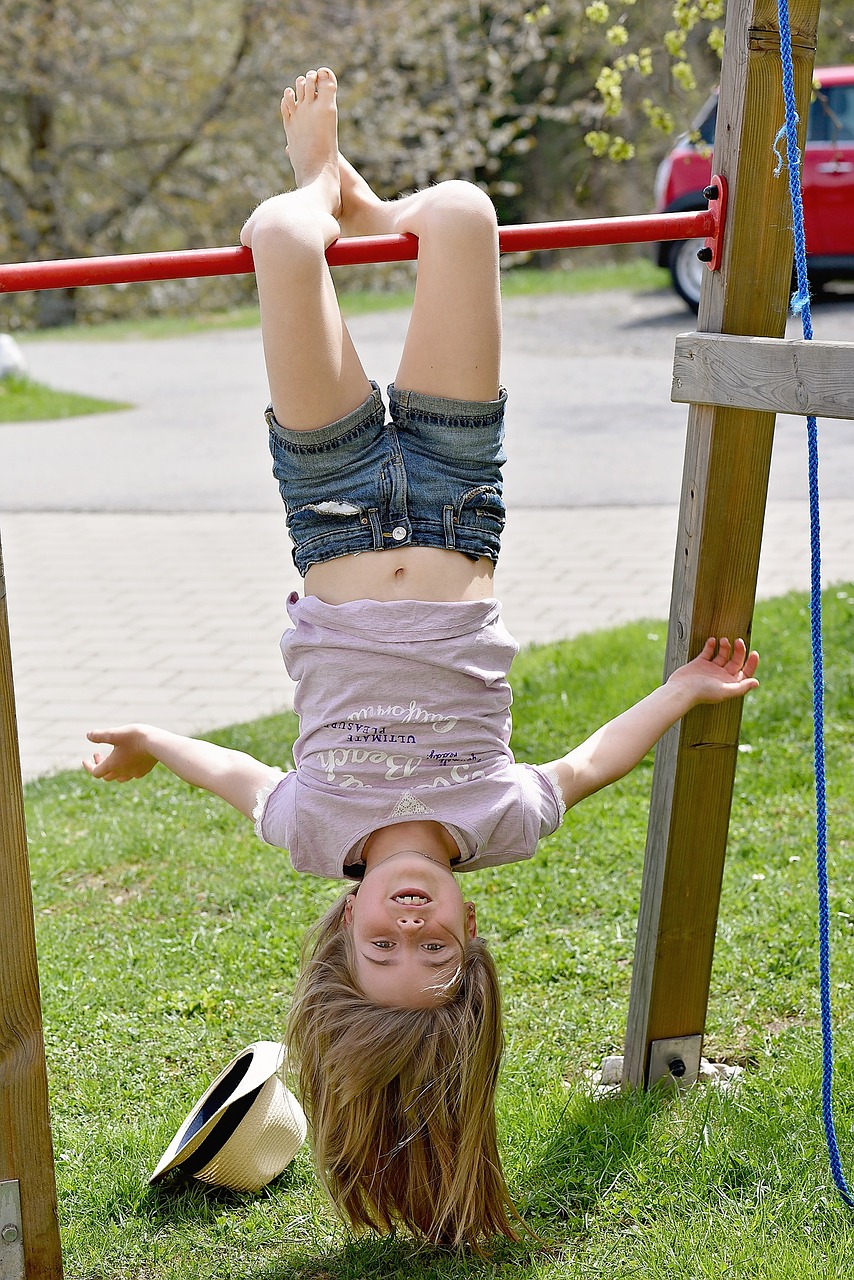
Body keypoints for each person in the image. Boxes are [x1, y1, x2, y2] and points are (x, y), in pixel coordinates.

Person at [83, 68, 760, 1246]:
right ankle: (361, 193)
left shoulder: (315, 830)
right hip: (457, 501)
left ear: (341, 938)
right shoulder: (500, 823)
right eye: (432, 946)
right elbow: (594, 760)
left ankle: (316, 186)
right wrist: (684, 686)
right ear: (470, 941)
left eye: (383, 945)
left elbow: (235, 773)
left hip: (332, 507)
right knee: (458, 214)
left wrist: (150, 739)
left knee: (279, 241)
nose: (408, 921)